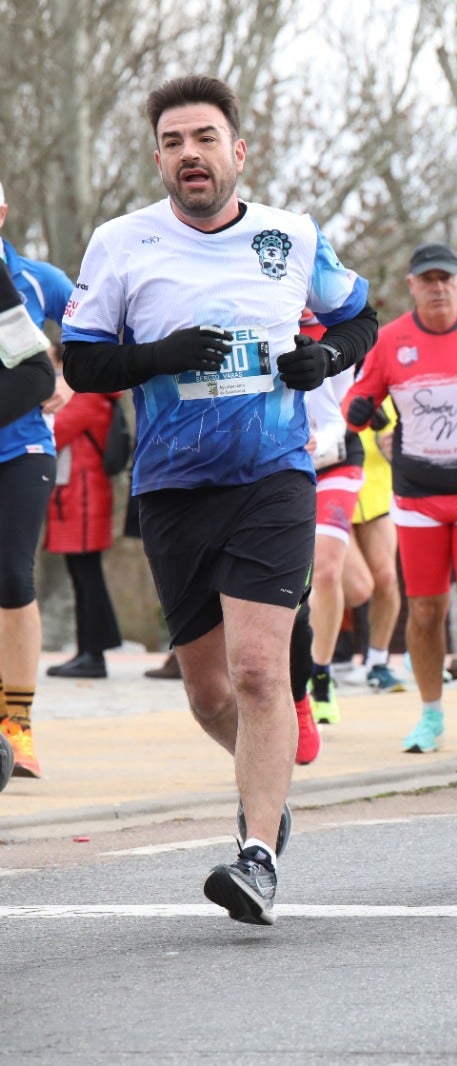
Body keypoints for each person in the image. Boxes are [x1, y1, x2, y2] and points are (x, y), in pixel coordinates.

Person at [61, 74, 378, 924]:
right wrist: (162, 354)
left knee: (257, 670)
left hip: (272, 477)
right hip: (171, 486)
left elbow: (361, 318)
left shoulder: (294, 236)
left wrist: (327, 357)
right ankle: (267, 791)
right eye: (172, 142)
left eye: (204, 138)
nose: (189, 155)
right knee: (208, 694)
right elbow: (84, 364)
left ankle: (258, 852)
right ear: (159, 159)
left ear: (238, 151)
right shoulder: (121, 244)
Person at [342, 242, 457, 753]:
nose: (437, 288)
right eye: (427, 279)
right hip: (418, 494)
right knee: (424, 613)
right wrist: (366, 415)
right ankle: (430, 714)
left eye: (446, 279)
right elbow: (359, 397)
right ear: (411, 285)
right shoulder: (392, 340)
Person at [0, 175, 68, 779]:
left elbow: (100, 328)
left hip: (23, 446)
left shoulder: (36, 279)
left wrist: (67, 379)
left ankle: (17, 725)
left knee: (12, 571)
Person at [300, 310, 366, 724]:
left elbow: (349, 404)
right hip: (280, 458)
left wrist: (320, 438)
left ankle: (320, 673)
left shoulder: (343, 322)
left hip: (336, 456)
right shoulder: (252, 304)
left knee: (326, 571)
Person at [43, 381, 124, 679]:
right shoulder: (93, 395)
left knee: (87, 577)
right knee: (83, 576)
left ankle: (93, 655)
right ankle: (88, 652)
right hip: (80, 497)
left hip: (83, 498)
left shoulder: (86, 396)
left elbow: (52, 434)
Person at [347, 396, 406, 692]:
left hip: (375, 490)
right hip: (330, 487)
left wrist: (394, 446)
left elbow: (396, 443)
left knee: (386, 579)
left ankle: (378, 662)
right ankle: (314, 666)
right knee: (357, 587)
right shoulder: (322, 377)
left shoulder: (378, 385)